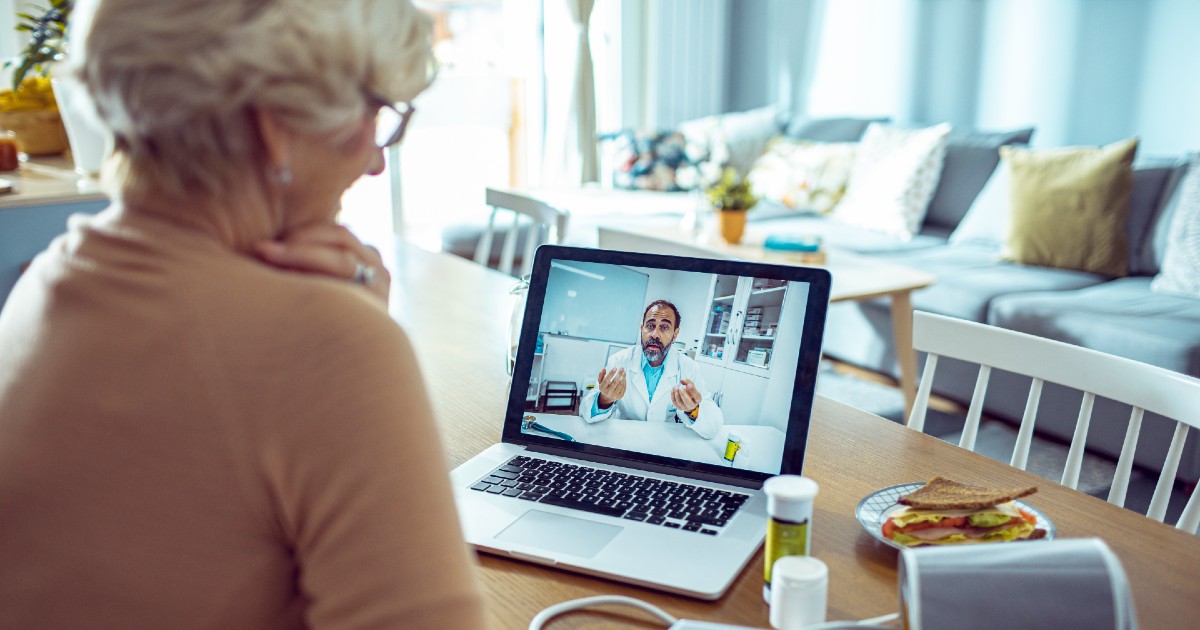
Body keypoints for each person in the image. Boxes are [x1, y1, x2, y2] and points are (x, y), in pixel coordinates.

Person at [0, 1, 485, 628]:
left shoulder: (45, 284)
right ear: (276, 125)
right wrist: (350, 336)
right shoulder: (329, 348)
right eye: (374, 115)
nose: (375, 160)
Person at [581, 300, 724, 439]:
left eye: (664, 327)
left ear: (675, 334)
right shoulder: (619, 360)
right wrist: (605, 399)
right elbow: (585, 412)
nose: (655, 334)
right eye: (650, 326)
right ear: (641, 329)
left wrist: (693, 410)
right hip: (623, 437)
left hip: (663, 441)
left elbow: (713, 427)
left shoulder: (688, 367)